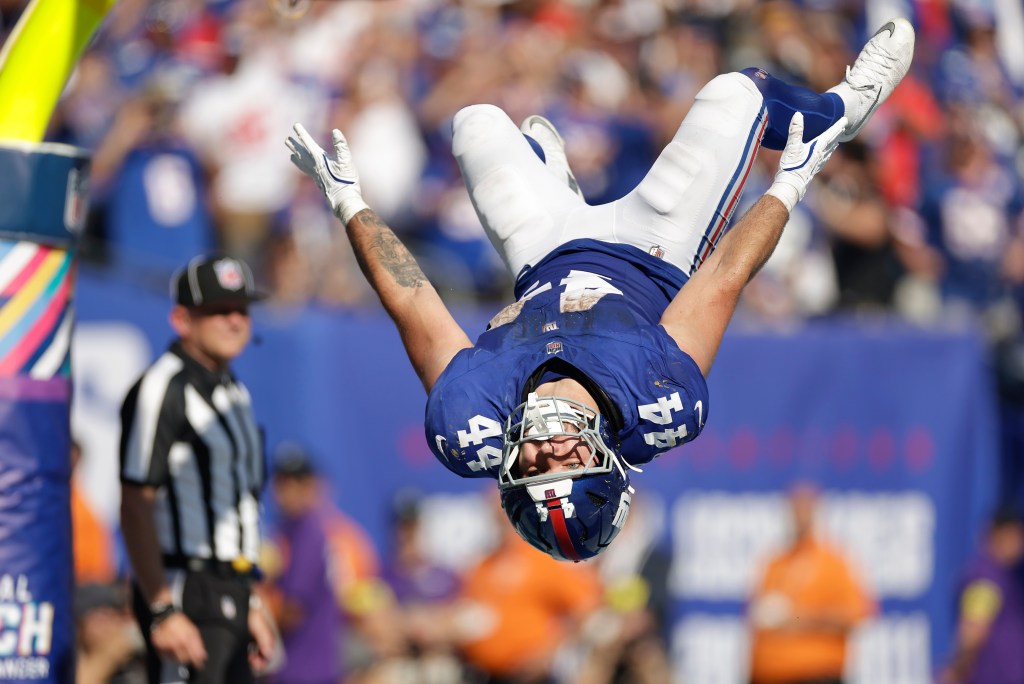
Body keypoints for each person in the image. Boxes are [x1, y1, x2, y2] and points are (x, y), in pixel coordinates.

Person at [287, 19, 916, 561]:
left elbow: (413, 301)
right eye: (564, 461)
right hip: (658, 247)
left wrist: (348, 204)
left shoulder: (471, 424)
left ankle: (559, 189)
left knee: (474, 123)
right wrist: (790, 185)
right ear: (605, 462)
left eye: (531, 470)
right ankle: (843, 110)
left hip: (543, 253)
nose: (541, 452)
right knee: (735, 94)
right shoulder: (658, 401)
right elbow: (724, 276)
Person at [119, 254, 278, 684]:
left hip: (233, 588)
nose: (234, 321)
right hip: (186, 587)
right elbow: (135, 503)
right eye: (218, 310)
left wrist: (252, 601)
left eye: (241, 309)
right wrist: (161, 609)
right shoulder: (161, 389)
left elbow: (240, 504)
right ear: (182, 319)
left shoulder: (234, 391)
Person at [264, 443, 379, 684]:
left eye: (298, 481)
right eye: (283, 481)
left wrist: (253, 626)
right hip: (302, 667)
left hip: (307, 669)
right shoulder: (285, 532)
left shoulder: (309, 532)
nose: (289, 490)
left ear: (313, 485)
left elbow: (294, 609)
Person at [747, 484, 876, 684]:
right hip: (767, 674)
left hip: (815, 672)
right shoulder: (775, 563)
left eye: (805, 508)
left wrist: (797, 618)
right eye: (795, 509)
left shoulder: (834, 563)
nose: (800, 515)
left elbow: (856, 614)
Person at [939, 509, 1024, 684]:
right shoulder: (985, 578)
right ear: (997, 534)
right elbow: (974, 628)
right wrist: (956, 671)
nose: (1020, 543)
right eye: (1015, 535)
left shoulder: (1008, 574)